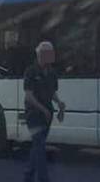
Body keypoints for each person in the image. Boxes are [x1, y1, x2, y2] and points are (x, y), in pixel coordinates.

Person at [23, 41, 66, 182]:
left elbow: (52, 92)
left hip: (48, 114)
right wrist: (42, 109)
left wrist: (59, 103)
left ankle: (28, 176)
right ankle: (43, 179)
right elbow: (29, 96)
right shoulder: (30, 71)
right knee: (40, 146)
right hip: (33, 114)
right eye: (46, 54)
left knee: (38, 146)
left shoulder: (52, 73)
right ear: (39, 55)